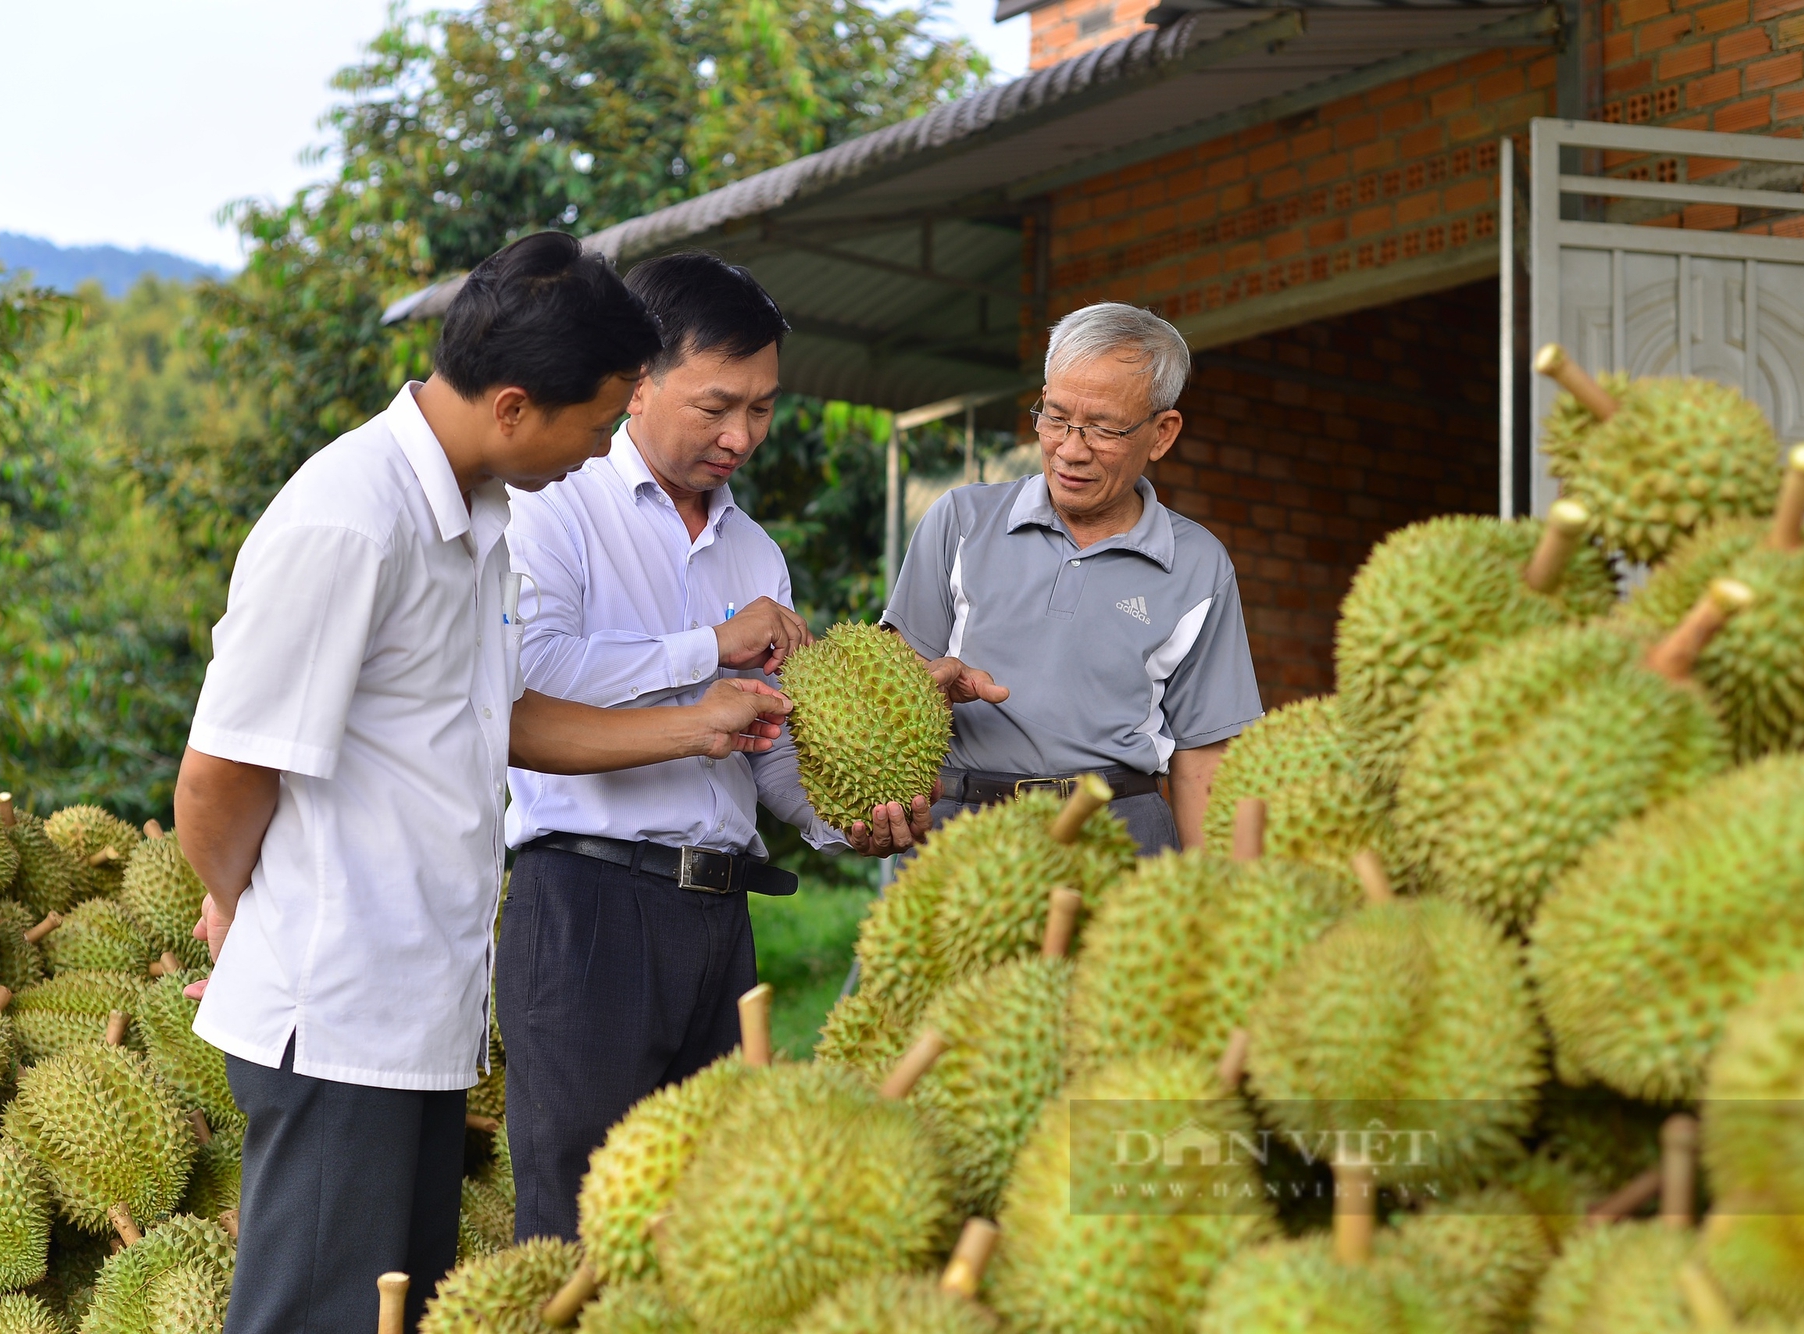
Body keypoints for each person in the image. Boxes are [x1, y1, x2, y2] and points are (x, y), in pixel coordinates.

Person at [172, 233, 795, 1334]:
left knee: (393, 1309)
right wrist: (237, 902)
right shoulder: (350, 517)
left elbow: (499, 718)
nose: (602, 445)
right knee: (323, 1314)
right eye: (599, 421)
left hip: (420, 1002)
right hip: (338, 1002)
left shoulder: (479, 515)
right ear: (515, 405)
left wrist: (700, 720)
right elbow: (221, 769)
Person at [498, 251, 1006, 1243]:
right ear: (636, 379)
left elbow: (767, 743)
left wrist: (844, 820)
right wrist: (709, 645)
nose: (740, 436)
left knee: (719, 1215)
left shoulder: (753, 549)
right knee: (576, 1222)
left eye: (762, 410)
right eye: (716, 405)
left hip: (719, 915)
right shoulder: (554, 509)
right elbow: (529, 682)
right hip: (587, 906)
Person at [882, 301, 1262, 855]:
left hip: (1119, 836)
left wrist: (1218, 903)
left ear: (1161, 434)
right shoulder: (962, 520)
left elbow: (1203, 757)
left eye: (1103, 429)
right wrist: (926, 688)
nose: (1070, 449)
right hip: (964, 830)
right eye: (1055, 417)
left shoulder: (1200, 564)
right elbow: (890, 684)